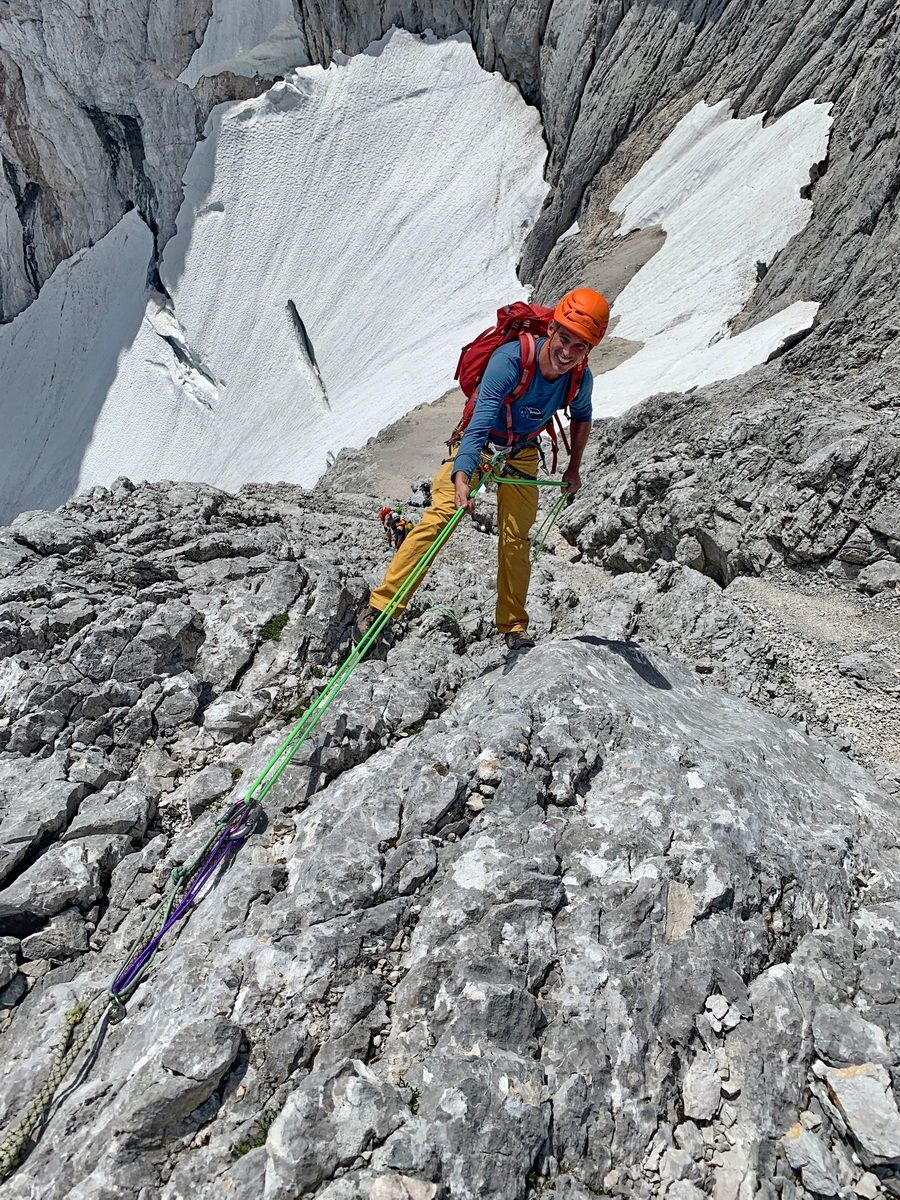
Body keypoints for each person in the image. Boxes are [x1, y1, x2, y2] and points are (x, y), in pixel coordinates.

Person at [355, 287, 610, 651]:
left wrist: (574, 468)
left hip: (521, 452)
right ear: (551, 328)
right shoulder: (510, 360)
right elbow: (480, 421)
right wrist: (462, 477)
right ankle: (381, 607)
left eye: (580, 345)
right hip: (479, 443)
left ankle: (513, 627)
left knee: (516, 538)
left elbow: (582, 416)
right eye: (564, 337)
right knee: (442, 516)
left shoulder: (579, 379)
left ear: (589, 349)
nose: (567, 352)